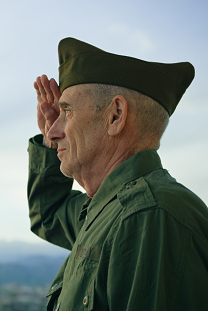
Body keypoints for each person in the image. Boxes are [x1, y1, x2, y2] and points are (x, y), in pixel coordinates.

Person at [28, 37, 208, 310]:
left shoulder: (148, 215)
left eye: (67, 113)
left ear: (115, 115)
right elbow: (48, 213)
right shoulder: (111, 209)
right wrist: (49, 143)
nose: (53, 131)